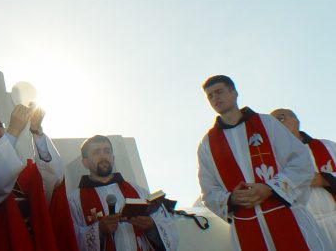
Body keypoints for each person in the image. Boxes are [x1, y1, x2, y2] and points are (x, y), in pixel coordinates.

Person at [197, 75, 327, 250]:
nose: (215, 98)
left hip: (287, 216)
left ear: (234, 93)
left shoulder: (267, 123)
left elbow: (300, 161)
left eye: (219, 91)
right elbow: (208, 190)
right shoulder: (207, 144)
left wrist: (271, 188)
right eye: (210, 96)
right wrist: (231, 198)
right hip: (246, 226)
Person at [0, 104, 78, 251]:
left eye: (0, 125)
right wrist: (13, 131)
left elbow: (54, 178)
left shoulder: (25, 172)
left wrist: (36, 131)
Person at [67, 135, 177, 251]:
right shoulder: (74, 200)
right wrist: (99, 229)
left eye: (107, 151)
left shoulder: (138, 191)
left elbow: (166, 225)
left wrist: (151, 226)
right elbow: (68, 237)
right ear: (85, 162)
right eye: (96, 152)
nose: (103, 156)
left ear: (113, 158)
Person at [271, 108, 336, 247]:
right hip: (308, 229)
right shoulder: (274, 160)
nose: (276, 125)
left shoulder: (328, 147)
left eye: (280, 118)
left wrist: (326, 179)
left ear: (296, 122)